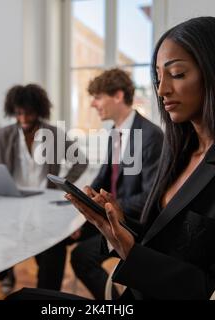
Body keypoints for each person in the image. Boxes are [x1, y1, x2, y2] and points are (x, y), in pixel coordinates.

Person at [8, 16, 215, 300]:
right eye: (158, 77)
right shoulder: (181, 153)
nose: (162, 90)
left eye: (176, 74)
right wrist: (117, 227)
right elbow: (167, 239)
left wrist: (129, 250)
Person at [0, 84, 87, 294]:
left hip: (46, 202)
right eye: (19, 113)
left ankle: (46, 295)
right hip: (12, 203)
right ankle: (5, 272)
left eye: (29, 113)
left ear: (39, 110)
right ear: (13, 111)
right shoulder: (3, 135)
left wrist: (61, 184)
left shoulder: (54, 134)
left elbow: (81, 160)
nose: (24, 118)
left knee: (52, 250)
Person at [70, 68, 163, 299]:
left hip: (131, 223)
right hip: (110, 213)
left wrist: (103, 208)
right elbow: (103, 176)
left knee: (82, 257)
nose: (93, 104)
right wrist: (84, 200)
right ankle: (45, 293)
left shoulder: (151, 135)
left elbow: (149, 198)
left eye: (98, 97)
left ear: (118, 96)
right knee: (58, 238)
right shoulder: (116, 131)